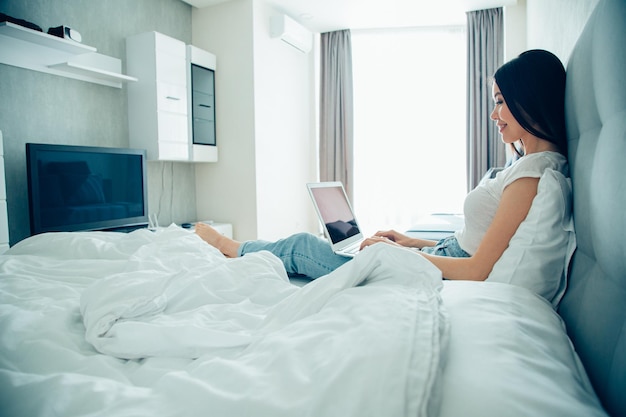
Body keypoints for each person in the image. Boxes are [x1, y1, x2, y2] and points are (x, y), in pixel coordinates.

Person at [196, 49, 568, 282]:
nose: (493, 114)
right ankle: (240, 250)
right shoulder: (531, 168)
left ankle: (231, 247)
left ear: (528, 99)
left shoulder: (532, 174)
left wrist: (398, 256)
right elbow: (477, 244)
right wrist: (410, 242)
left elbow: (477, 269)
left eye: (501, 102)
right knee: (327, 247)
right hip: (439, 256)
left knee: (303, 246)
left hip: (437, 269)